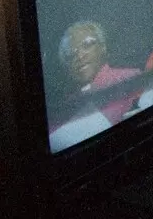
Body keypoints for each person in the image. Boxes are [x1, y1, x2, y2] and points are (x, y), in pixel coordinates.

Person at [50, 21, 145, 150]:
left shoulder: (130, 78)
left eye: (87, 45)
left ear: (103, 47)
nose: (79, 56)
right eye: (71, 54)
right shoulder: (65, 108)